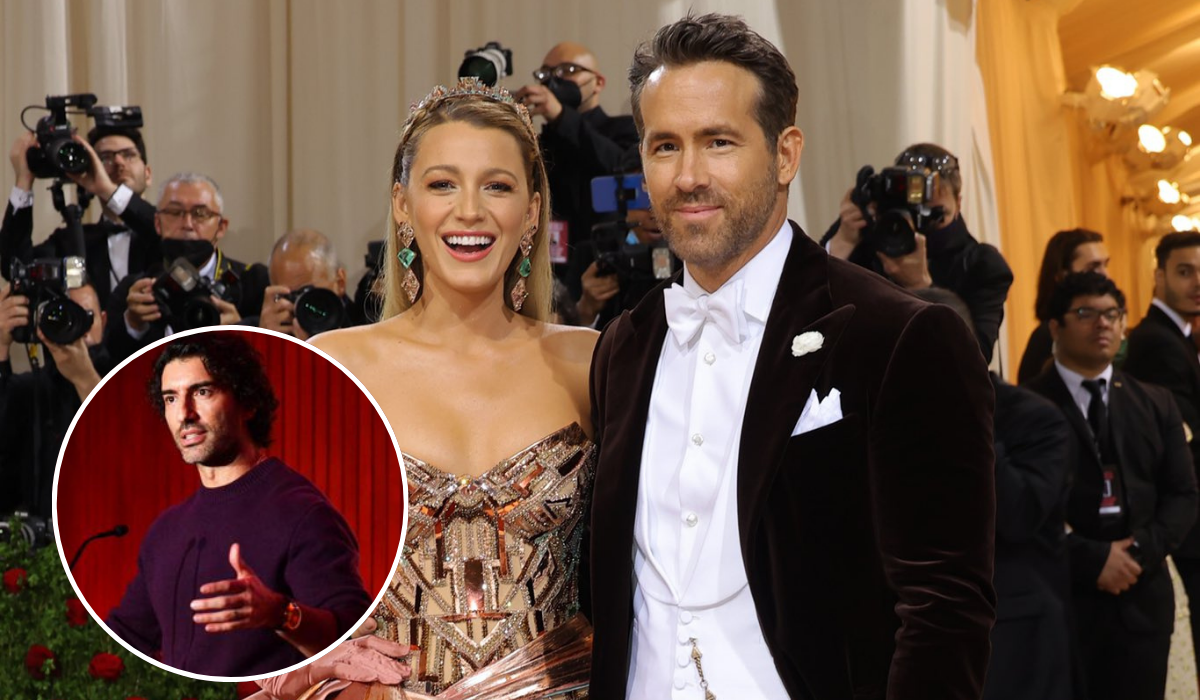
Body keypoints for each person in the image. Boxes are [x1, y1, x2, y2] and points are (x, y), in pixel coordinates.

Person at [587, 13, 996, 700]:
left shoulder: (900, 337)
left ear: (785, 154)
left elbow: (945, 609)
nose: (688, 177)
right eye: (665, 146)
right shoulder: (624, 346)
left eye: (719, 142)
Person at [256, 77, 598, 700]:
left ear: (531, 212)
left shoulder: (589, 362)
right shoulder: (334, 367)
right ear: (402, 205)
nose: (469, 210)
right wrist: (330, 661)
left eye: (497, 186)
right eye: (442, 184)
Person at [105, 331, 371, 676]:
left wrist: (280, 613)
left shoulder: (301, 513)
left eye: (203, 392)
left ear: (247, 403)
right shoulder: (167, 530)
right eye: (171, 398)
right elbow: (126, 637)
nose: (184, 413)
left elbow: (354, 643)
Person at [1025, 272, 1198, 700]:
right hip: (1061, 598)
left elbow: (1182, 495)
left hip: (1142, 598)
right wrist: (1093, 559)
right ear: (1055, 327)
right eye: (1086, 313)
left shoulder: (1155, 402)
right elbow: (1022, 506)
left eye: (1112, 314)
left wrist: (1136, 552)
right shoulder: (1025, 407)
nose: (1102, 324)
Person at [916, 287, 1075, 700]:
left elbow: (1019, 515)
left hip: (1016, 636)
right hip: (912, 632)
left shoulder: (1036, 419)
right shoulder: (885, 414)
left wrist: (966, 412)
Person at [821, 142, 1013, 364]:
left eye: (936, 215)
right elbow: (808, 311)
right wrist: (842, 243)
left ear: (959, 203)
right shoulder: (866, 238)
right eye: (913, 210)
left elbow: (974, 361)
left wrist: (921, 287)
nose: (920, 226)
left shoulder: (982, 265)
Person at [1123, 230, 1200, 668]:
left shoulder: (1177, 335)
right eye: (1185, 272)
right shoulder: (1159, 341)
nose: (1197, 283)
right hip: (1183, 524)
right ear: (1158, 276)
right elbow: (1186, 441)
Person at [102, 172, 269, 365]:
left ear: (221, 227)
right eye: (175, 213)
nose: (187, 224)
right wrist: (133, 324)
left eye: (200, 214)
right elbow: (109, 361)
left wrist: (242, 332)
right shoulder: (135, 291)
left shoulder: (254, 283)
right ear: (157, 223)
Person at [514, 42, 639, 287]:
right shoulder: (539, 145)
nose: (554, 80)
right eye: (546, 74)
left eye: (568, 70)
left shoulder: (623, 129)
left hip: (607, 268)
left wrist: (561, 116)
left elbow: (618, 167)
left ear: (598, 82)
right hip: (547, 272)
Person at [1, 127, 159, 308]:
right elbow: (15, 268)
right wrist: (24, 181)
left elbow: (159, 226)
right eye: (105, 158)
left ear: (148, 174)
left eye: (129, 155)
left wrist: (109, 190)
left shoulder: (170, 229)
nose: (118, 162)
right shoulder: (72, 240)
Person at [0, 280, 110, 520]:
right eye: (61, 315)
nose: (76, 328)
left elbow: (131, 448)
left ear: (103, 320)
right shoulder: (27, 390)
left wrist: (85, 379)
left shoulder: (127, 375)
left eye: (86, 317)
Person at [1017, 228, 1111, 384]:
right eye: (1093, 267)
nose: (1106, 275)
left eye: (1106, 265)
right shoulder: (1046, 337)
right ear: (1062, 275)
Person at [255, 228, 353, 340]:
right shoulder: (260, 332)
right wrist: (265, 343)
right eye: (291, 296)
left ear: (340, 283)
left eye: (312, 294)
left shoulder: (364, 330)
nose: (305, 306)